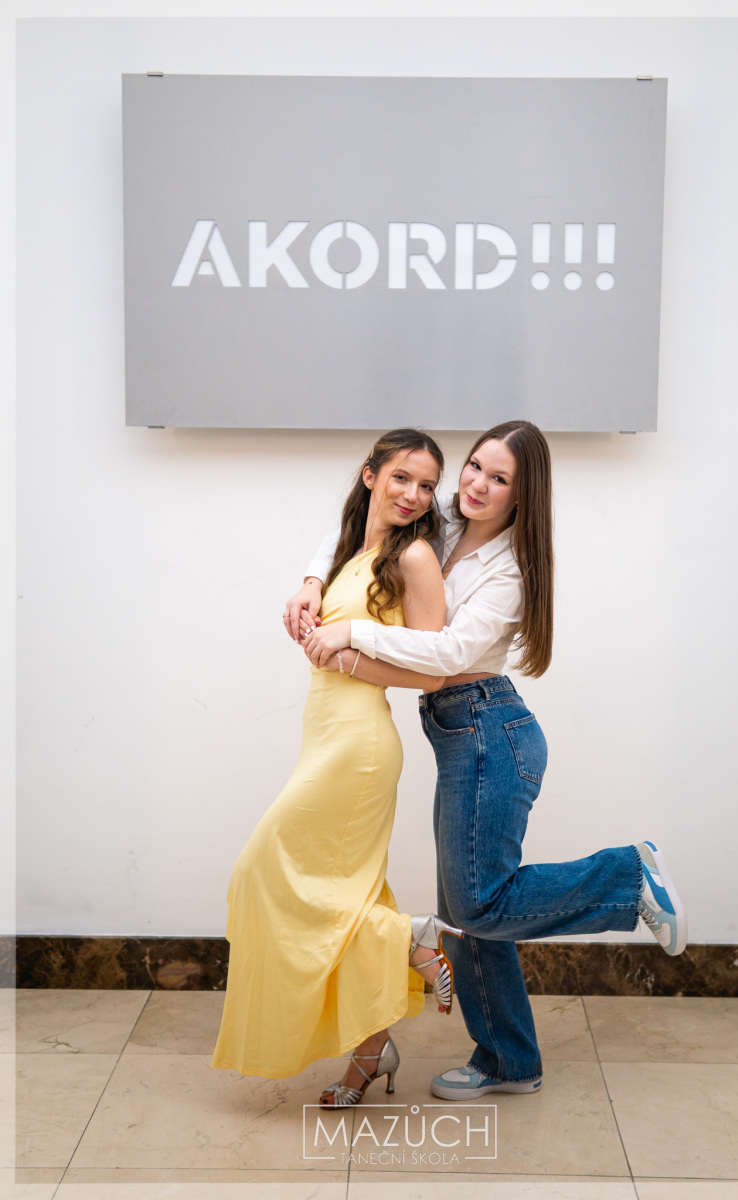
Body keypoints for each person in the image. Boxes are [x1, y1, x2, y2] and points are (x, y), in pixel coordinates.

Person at [291, 419, 688, 1101]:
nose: (475, 484)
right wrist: (309, 579)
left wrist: (351, 634)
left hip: (489, 731)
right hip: (459, 733)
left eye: (498, 478)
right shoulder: (439, 524)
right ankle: (509, 1060)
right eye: (474, 466)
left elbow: (447, 655)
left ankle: (628, 876)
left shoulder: (511, 571)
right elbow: (366, 526)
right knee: (466, 916)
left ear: (521, 495)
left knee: (478, 904)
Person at [211, 428, 464, 1108]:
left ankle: (410, 937)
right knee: (353, 892)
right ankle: (371, 1052)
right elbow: (331, 551)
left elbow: (434, 671)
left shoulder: (415, 557)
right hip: (323, 735)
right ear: (370, 475)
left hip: (359, 747)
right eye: (402, 477)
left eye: (427, 485)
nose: (414, 495)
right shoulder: (353, 549)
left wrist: (348, 655)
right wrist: (309, 584)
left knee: (259, 865)